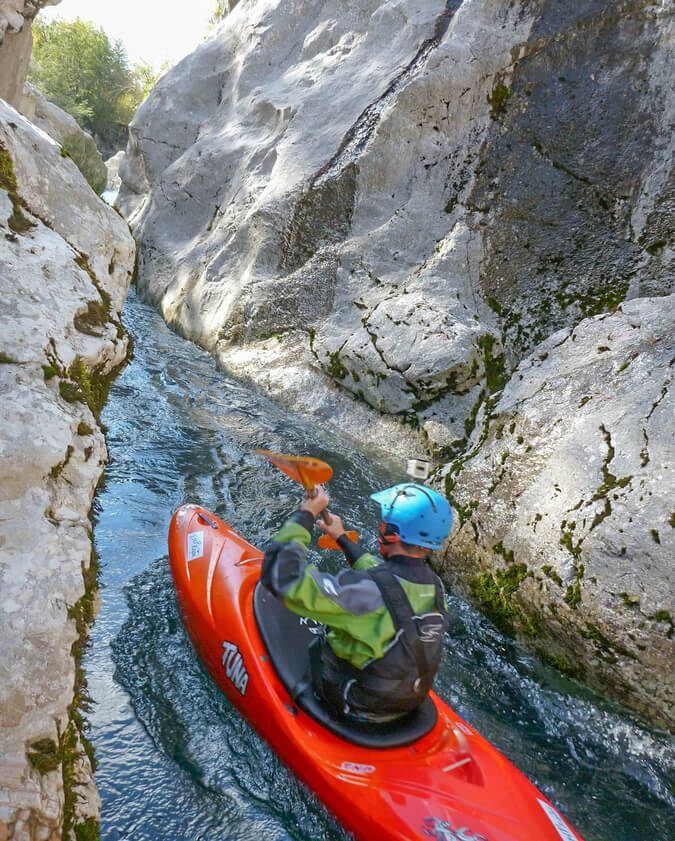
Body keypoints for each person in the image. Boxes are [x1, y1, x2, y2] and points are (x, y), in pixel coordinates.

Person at [261, 482, 453, 723]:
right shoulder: (435, 586)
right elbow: (388, 583)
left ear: (391, 534)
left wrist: (307, 513)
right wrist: (340, 538)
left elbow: (279, 575)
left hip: (352, 703)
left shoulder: (365, 594)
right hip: (405, 702)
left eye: (383, 524)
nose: (379, 527)